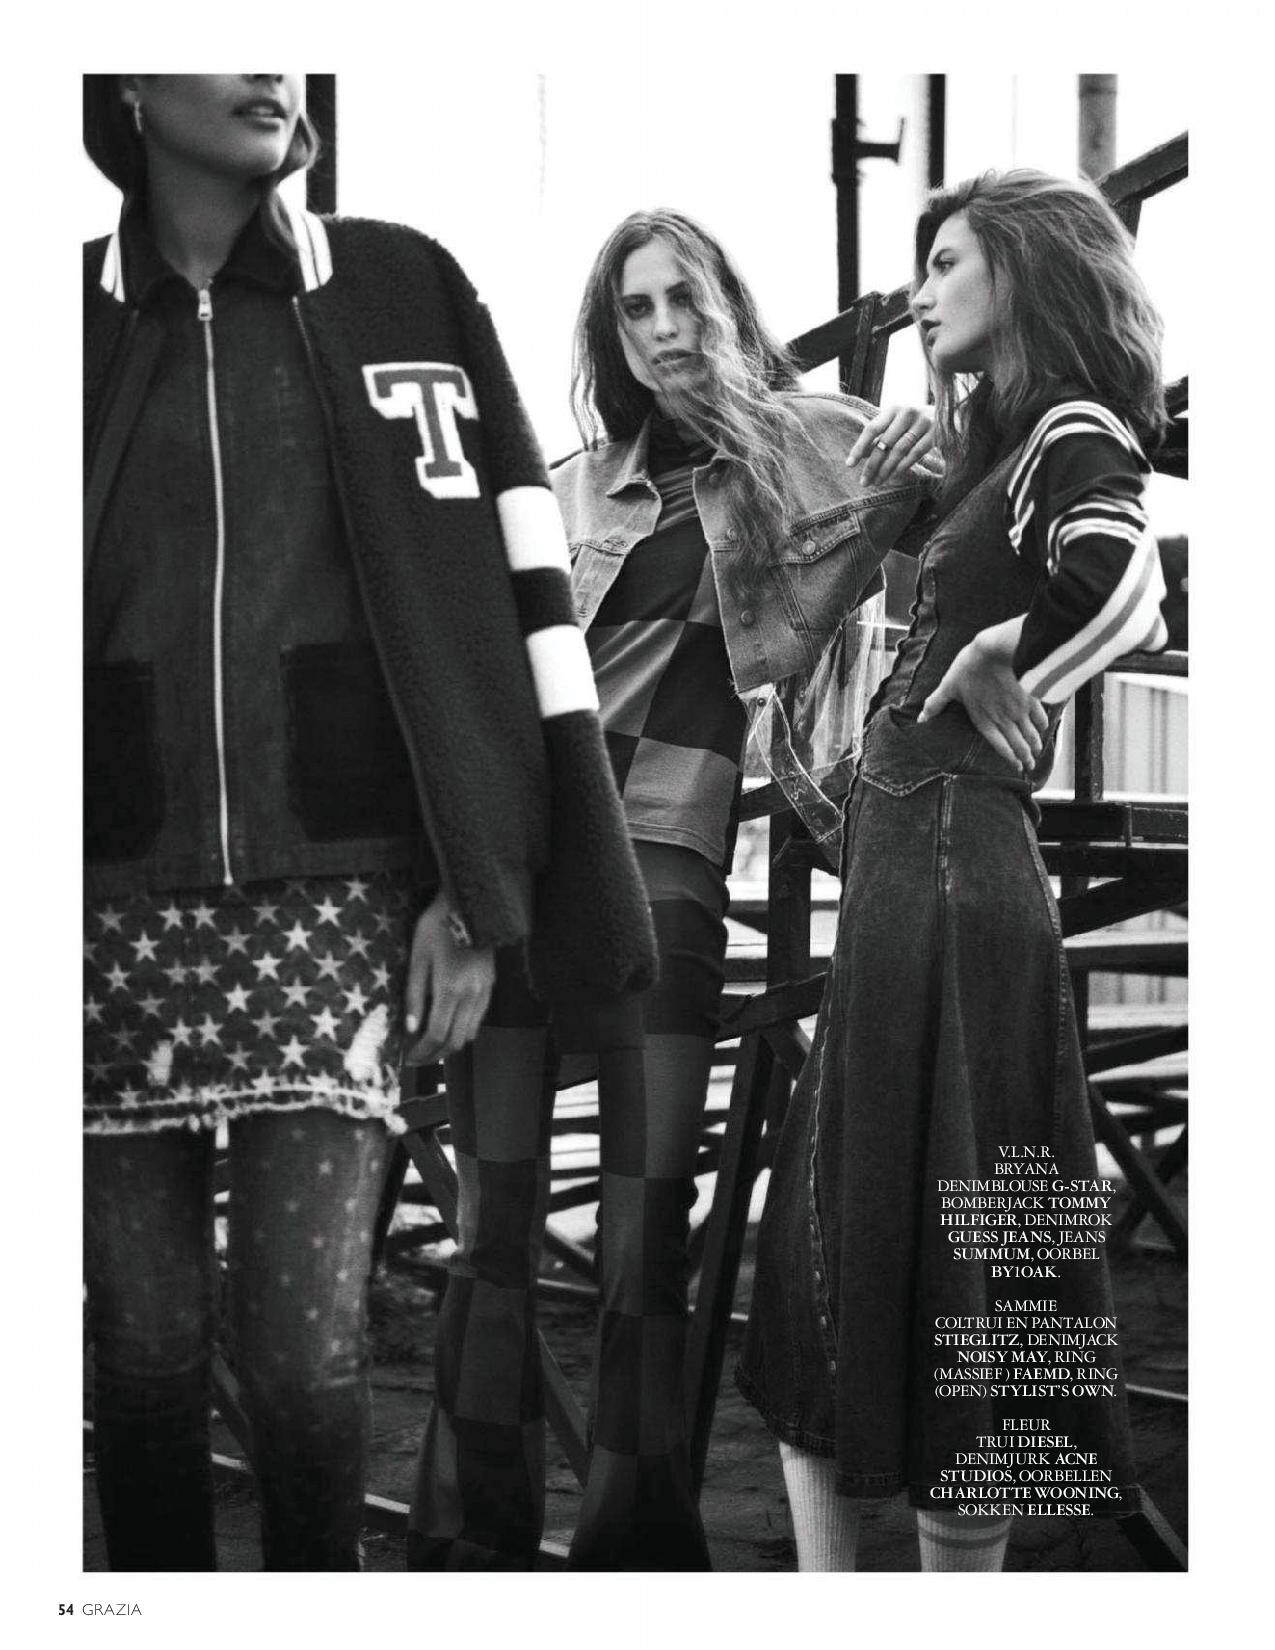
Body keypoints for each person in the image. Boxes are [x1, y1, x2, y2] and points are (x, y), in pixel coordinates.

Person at [82, 73, 654, 1571]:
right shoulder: (58, 319)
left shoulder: (402, 288)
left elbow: (503, 605)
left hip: (338, 895)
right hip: (91, 902)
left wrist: (477, 885)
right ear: (127, 74)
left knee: (300, 1362)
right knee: (138, 1358)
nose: (270, 66)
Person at [407, 207, 939, 1569]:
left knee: (647, 1227)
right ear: (611, 336)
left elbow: (963, 509)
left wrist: (929, 456)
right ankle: (470, 1550)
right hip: (532, 876)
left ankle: (635, 1552)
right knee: (495, 1224)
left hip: (667, 878)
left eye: (681, 299)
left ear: (724, 303)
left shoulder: (813, 445)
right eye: (633, 310)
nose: (661, 330)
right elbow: (482, 690)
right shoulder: (569, 491)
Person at [737, 169, 1169, 1571]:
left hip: (952, 868)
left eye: (947, 263)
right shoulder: (994, 456)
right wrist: (917, 493)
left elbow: (1128, 580)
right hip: (908, 870)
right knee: (855, 1253)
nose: (920, 293)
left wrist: (1006, 655)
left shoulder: (1070, 429)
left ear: (1024, 272)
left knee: (951, 1255)